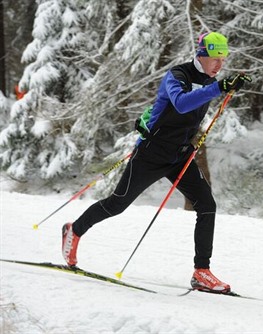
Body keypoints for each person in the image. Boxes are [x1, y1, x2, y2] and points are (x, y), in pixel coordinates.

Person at [61, 32, 252, 293]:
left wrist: (225, 88)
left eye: (223, 59)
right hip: (152, 154)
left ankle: (201, 272)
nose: (219, 65)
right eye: (215, 59)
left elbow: (194, 114)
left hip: (180, 156)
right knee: (117, 204)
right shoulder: (177, 75)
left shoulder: (211, 80)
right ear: (201, 55)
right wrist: (219, 87)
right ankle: (74, 230)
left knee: (207, 205)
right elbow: (182, 104)